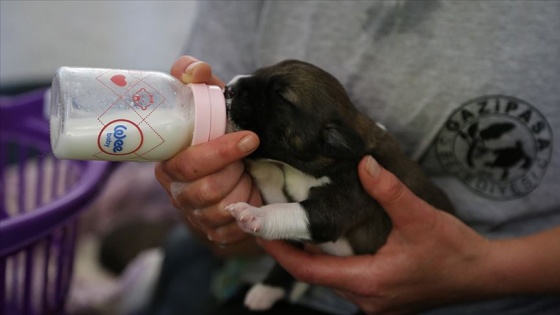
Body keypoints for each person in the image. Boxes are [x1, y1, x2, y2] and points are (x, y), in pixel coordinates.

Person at [153, 1, 560, 314]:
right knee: (177, 267)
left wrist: (483, 269)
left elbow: (322, 216)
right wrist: (209, 194)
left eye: (278, 96)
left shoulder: (351, 163)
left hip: (493, 296)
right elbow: (199, 179)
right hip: (260, 264)